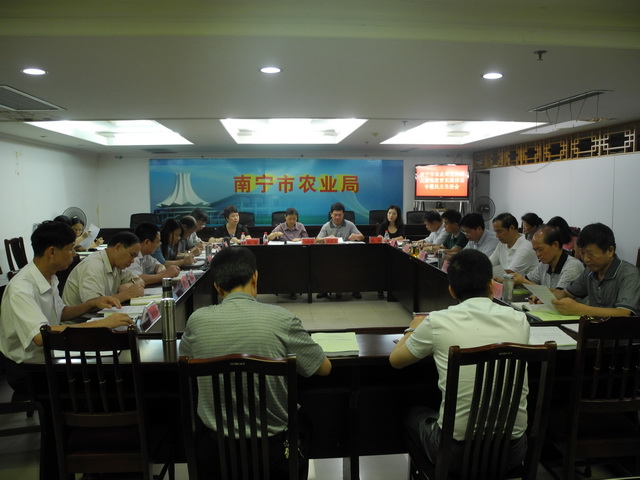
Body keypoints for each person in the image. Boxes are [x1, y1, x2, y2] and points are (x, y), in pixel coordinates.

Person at [179, 247, 331, 479]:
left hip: (216, 455)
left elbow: (185, 358)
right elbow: (324, 368)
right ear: (255, 277)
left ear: (217, 288)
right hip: (275, 455)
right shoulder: (282, 319)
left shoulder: (196, 321)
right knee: (307, 423)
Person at [389, 249, 529, 474]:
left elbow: (396, 360)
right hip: (512, 452)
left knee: (412, 415)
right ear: (491, 286)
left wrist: (412, 328)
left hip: (455, 453)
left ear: (451, 290)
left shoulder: (437, 321)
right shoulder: (519, 319)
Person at [0, 221, 134, 397]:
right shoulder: (21, 289)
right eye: (70, 248)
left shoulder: (49, 277)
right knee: (110, 379)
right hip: (30, 369)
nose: (74, 254)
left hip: (51, 355)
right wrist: (102, 324)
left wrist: (94, 303)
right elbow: (41, 336)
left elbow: (62, 313)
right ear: (52, 252)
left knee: (115, 371)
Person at [551, 223, 640, 316]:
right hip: (595, 324)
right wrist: (549, 296)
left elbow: (624, 313)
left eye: (591, 253)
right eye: (582, 253)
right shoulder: (589, 270)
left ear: (610, 251)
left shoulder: (629, 274)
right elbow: (567, 293)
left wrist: (579, 309)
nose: (586, 259)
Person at [62, 231, 145, 306]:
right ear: (118, 247)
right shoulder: (93, 266)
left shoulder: (117, 265)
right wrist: (126, 294)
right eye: (132, 255)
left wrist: (130, 285)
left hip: (100, 314)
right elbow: (92, 305)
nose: (133, 261)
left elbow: (139, 280)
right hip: (82, 317)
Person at [316, 202, 364, 299]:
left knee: (356, 262)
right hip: (330, 255)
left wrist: (356, 236)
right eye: (335, 215)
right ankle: (324, 289)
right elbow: (317, 239)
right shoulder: (326, 226)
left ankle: (355, 289)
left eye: (340, 215)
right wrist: (326, 238)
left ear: (343, 214)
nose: (337, 217)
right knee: (322, 263)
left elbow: (362, 236)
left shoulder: (349, 224)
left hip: (346, 255)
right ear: (331, 214)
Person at [512, 226, 584, 290]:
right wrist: (517, 280)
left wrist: (523, 281)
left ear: (555, 245)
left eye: (540, 249)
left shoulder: (573, 266)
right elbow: (527, 280)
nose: (537, 254)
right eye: (535, 250)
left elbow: (558, 295)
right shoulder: (544, 265)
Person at [489, 212, 539, 278]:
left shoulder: (525, 247)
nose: (497, 236)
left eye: (499, 231)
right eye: (496, 232)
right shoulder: (502, 244)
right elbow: (488, 264)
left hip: (523, 284)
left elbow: (508, 275)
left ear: (511, 228)